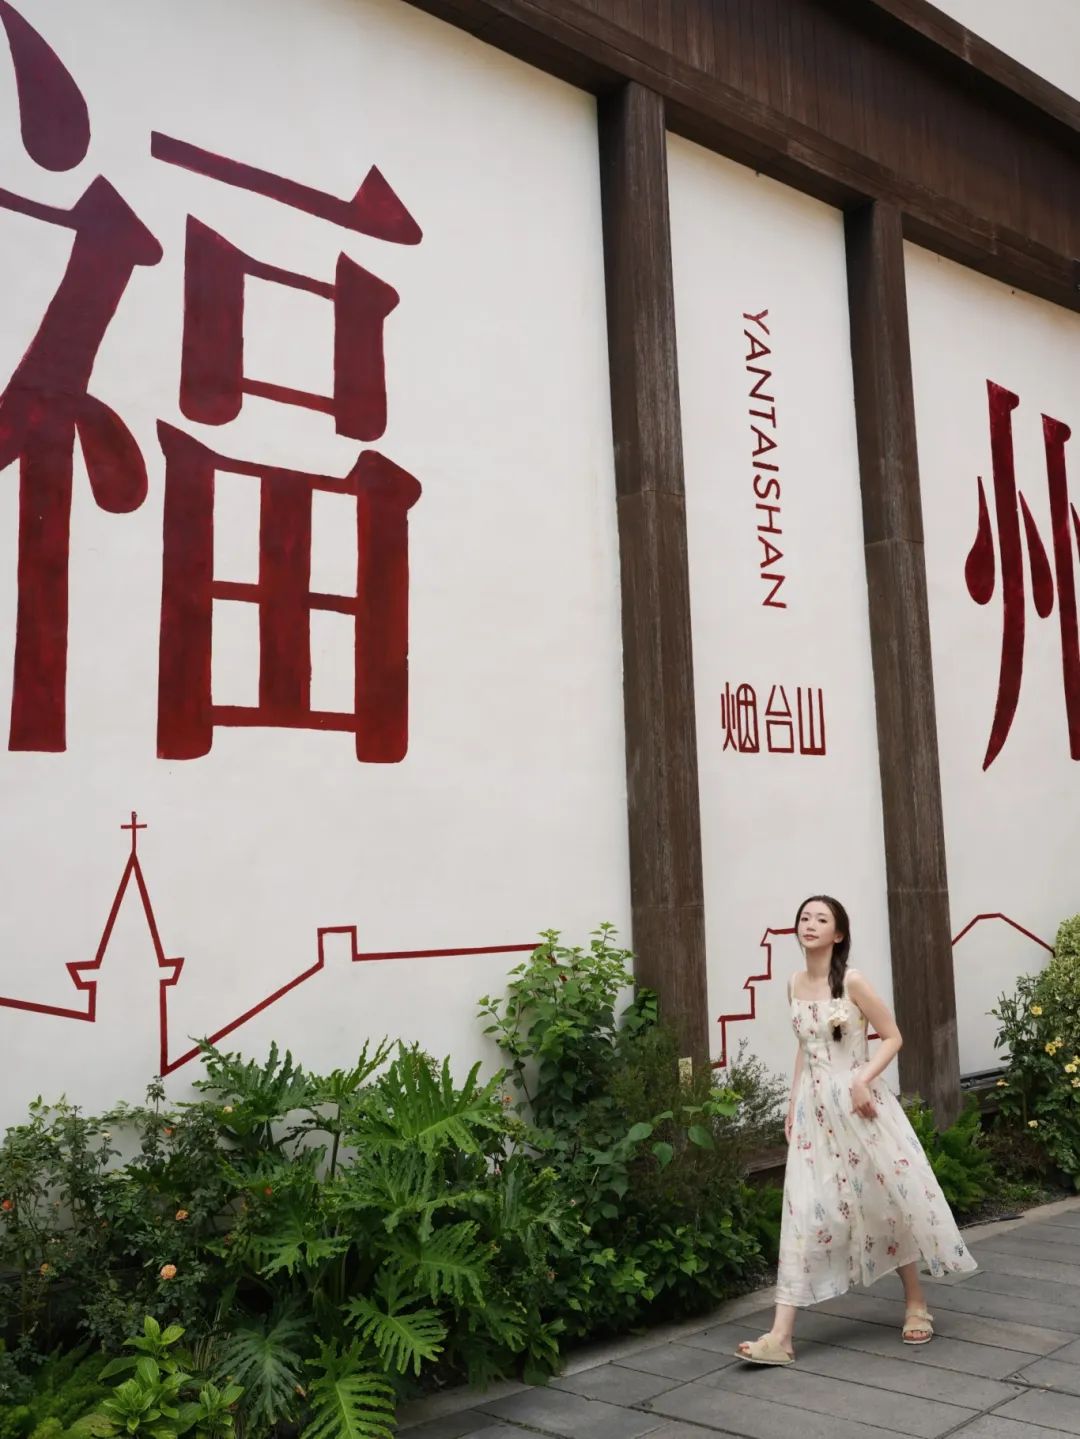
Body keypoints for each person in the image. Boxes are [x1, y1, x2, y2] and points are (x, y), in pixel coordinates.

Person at [736, 894, 976, 1366]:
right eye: (804, 917)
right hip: (813, 1114)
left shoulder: (853, 981)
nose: (809, 924)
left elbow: (893, 1036)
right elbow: (805, 1047)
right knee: (803, 1210)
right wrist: (792, 1104)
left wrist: (863, 1080)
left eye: (821, 919)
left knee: (884, 1199)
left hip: (859, 1105)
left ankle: (916, 1302)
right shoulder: (793, 983)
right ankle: (781, 1337)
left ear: (838, 933)